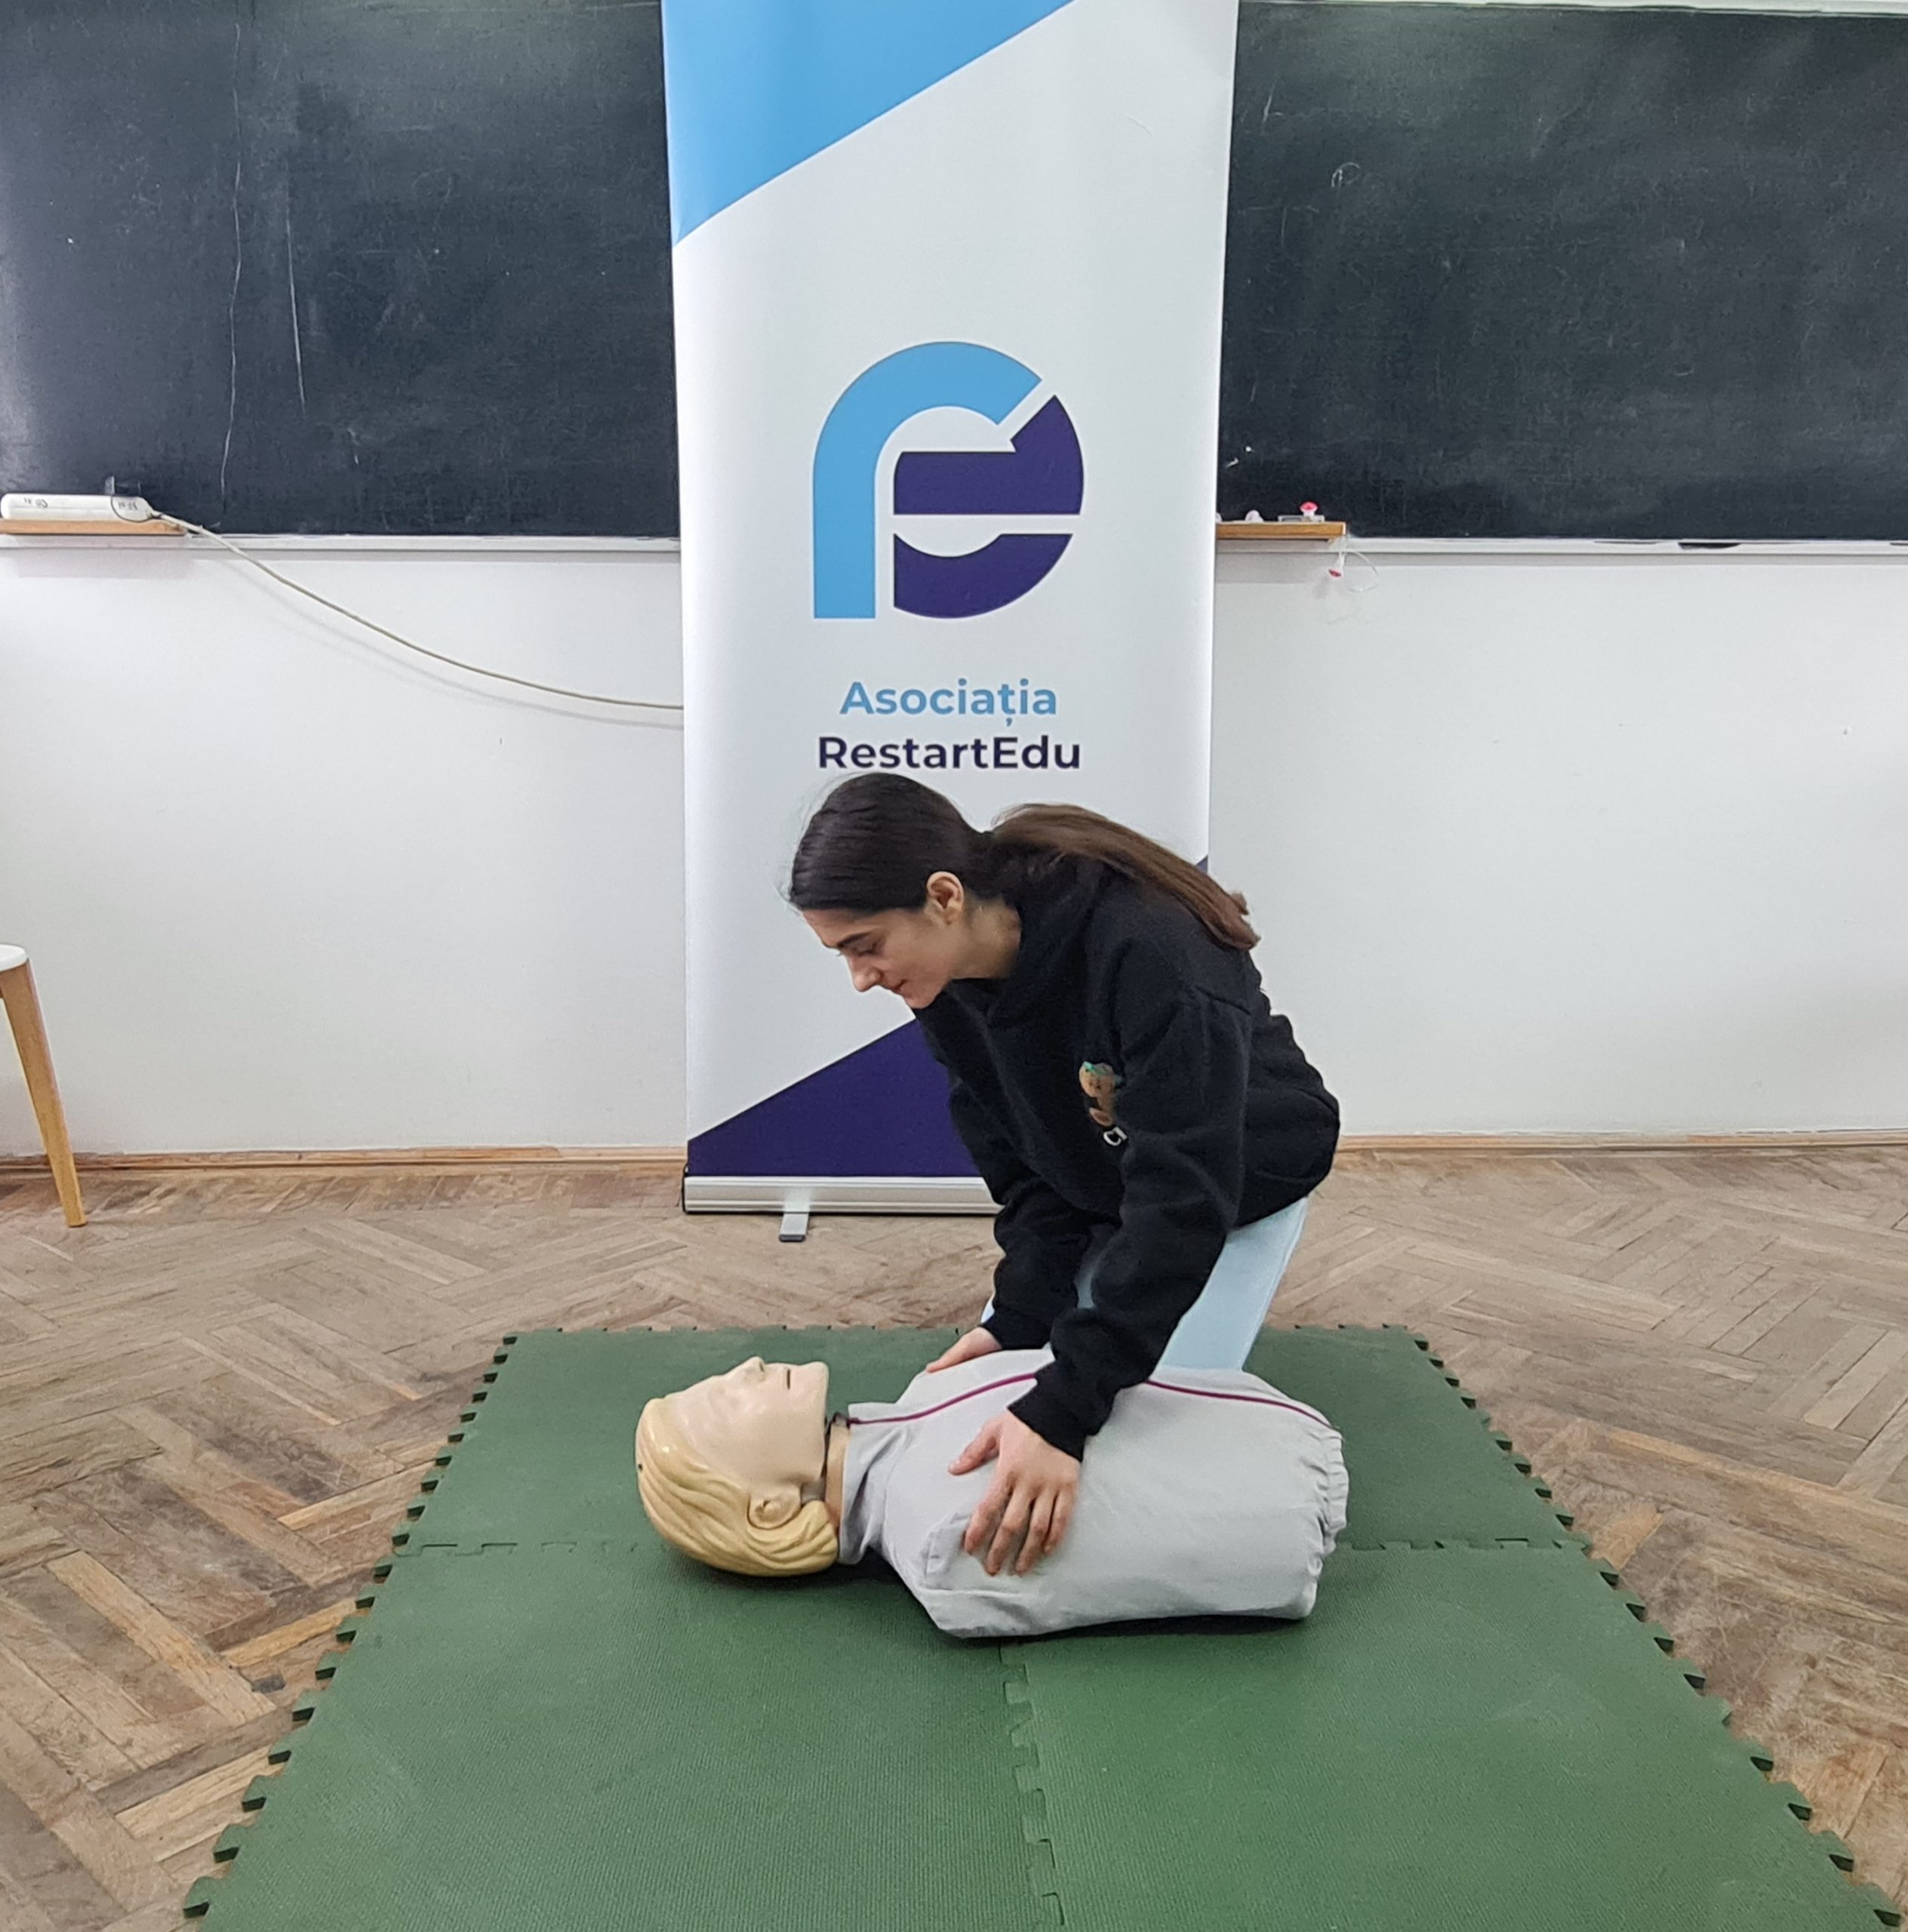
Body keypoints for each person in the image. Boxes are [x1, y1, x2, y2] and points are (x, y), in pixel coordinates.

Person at [786, 776, 1339, 1575]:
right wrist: (1019, 1316)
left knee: (1132, 1434)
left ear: (943, 896)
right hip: (1108, 1178)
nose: (860, 977)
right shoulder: (944, 979)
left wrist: (1068, 1405)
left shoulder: (1151, 947)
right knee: (1003, 1402)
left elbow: (1183, 1196)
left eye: (864, 945)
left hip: (1240, 1179)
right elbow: (1024, 1168)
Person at [635, 1350, 1347, 1638]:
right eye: (725, 1402)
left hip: (1278, 1432)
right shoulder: (941, 1533)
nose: (748, 1366)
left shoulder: (920, 1404)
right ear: (769, 1509)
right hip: (1288, 1482)